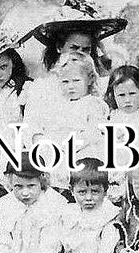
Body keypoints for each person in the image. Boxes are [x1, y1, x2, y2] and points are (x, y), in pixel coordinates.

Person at [22, 55, 110, 190]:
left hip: (83, 150)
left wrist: (67, 145)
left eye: (76, 81)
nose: (71, 87)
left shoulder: (93, 104)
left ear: (90, 79)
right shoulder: (60, 106)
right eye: (65, 82)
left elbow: (93, 133)